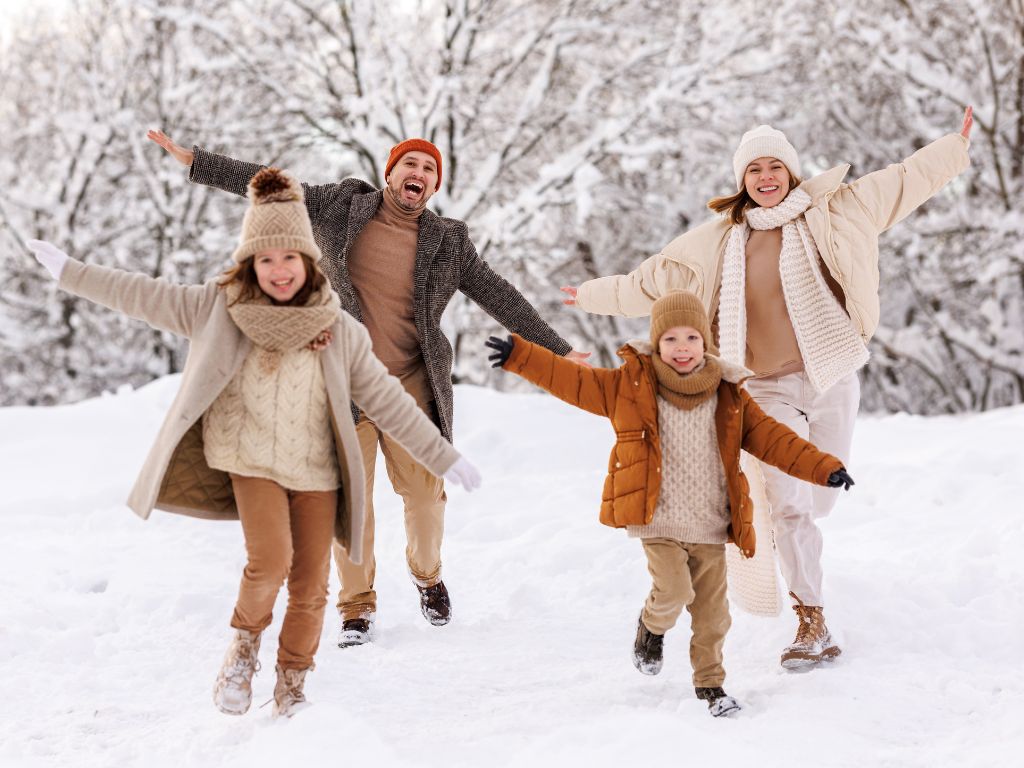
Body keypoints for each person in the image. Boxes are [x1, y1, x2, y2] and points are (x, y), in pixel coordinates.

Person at [26, 168, 481, 718]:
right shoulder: (217, 308)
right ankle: (243, 651)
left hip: (316, 468)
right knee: (270, 562)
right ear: (251, 263)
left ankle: (291, 687)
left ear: (309, 263)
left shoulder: (338, 328)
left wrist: (442, 455)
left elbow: (387, 400)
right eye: (266, 260)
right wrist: (71, 272)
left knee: (312, 584)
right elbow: (142, 295)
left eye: (290, 258)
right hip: (252, 460)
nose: (279, 270)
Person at [561, 108, 972, 668]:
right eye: (754, 169)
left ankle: (799, 546)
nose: (765, 176)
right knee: (789, 503)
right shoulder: (715, 244)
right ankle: (812, 619)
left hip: (830, 375)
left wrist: (954, 146)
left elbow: (904, 179)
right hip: (766, 391)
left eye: (775, 165)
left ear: (792, 171)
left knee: (819, 500)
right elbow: (647, 283)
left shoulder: (837, 212)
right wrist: (587, 295)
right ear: (742, 182)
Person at [147, 130, 586, 646]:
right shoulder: (340, 206)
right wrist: (197, 161)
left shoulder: (448, 242)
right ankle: (356, 606)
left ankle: (427, 576)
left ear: (434, 184)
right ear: (390, 171)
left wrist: (556, 348)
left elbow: (499, 295)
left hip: (411, 387)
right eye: (411, 165)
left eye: (429, 169)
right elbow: (269, 186)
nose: (418, 174)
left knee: (425, 500)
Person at [485, 291, 853, 716]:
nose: (682, 348)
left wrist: (823, 467)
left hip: (710, 526)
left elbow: (775, 439)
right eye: (671, 339)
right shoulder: (629, 386)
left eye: (692, 337)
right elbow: (575, 383)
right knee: (674, 591)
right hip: (657, 521)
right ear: (656, 344)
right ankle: (650, 627)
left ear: (706, 343)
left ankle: (712, 687)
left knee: (714, 617)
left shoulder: (730, 395)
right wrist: (521, 356)